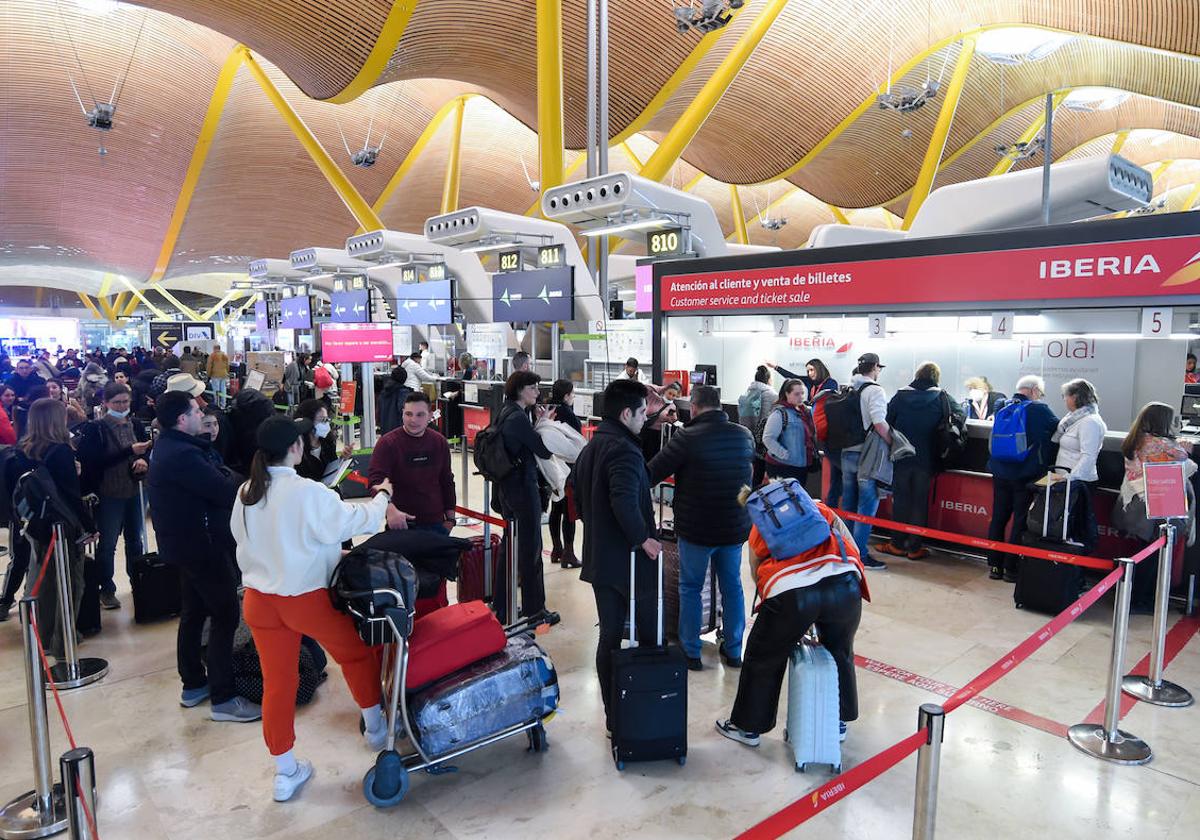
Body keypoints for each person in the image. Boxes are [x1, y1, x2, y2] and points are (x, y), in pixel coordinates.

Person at [231, 415, 394, 802]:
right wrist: (383, 495)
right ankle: (375, 729)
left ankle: (285, 772)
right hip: (304, 599)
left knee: (278, 683)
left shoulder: (246, 491)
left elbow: (253, 539)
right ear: (296, 448)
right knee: (354, 655)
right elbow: (357, 519)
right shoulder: (306, 491)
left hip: (258, 601)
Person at [715, 484, 868, 747]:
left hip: (791, 592)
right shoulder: (819, 508)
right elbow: (851, 546)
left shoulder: (760, 525)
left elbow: (755, 569)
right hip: (845, 585)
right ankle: (837, 722)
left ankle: (747, 728)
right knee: (840, 651)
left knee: (763, 656)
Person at [148, 391, 260, 723]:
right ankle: (223, 697)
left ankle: (194, 684)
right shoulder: (182, 456)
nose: (202, 414)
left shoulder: (175, 448)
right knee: (225, 614)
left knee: (194, 612)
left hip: (185, 544)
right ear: (182, 419)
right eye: (196, 411)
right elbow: (225, 490)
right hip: (201, 546)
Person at [574, 379, 661, 733]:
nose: (644, 418)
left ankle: (614, 714)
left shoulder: (592, 446)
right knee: (648, 634)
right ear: (626, 413)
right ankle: (644, 706)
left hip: (600, 556)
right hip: (628, 559)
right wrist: (645, 540)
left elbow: (578, 495)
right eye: (642, 412)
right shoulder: (624, 450)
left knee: (609, 634)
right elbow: (624, 501)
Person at [648, 385, 752, 670]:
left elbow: (651, 472)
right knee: (733, 586)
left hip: (696, 530)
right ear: (719, 406)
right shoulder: (744, 436)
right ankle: (733, 650)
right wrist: (738, 508)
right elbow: (748, 480)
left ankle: (691, 652)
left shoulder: (687, 437)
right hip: (733, 528)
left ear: (693, 407)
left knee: (691, 587)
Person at [6, 399, 97, 648]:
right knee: (70, 583)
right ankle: (63, 638)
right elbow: (70, 495)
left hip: (36, 525)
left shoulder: (23, 449)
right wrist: (89, 526)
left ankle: (43, 635)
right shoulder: (60, 451)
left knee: (43, 581)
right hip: (62, 527)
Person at [76, 382, 151, 612]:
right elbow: (93, 462)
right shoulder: (95, 429)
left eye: (125, 402)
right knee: (107, 543)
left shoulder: (135, 423)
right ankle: (106, 588)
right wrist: (130, 452)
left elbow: (146, 449)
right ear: (106, 403)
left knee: (135, 540)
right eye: (117, 402)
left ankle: (138, 582)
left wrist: (143, 459)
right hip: (109, 493)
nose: (122, 406)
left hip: (135, 490)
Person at [492, 371, 557, 624]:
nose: (537, 392)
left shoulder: (506, 410)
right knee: (530, 550)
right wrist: (545, 426)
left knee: (511, 548)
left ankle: (503, 605)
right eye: (533, 387)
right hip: (522, 491)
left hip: (508, 490)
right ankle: (535, 611)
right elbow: (542, 448)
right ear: (520, 389)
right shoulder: (517, 417)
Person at [1118, 402, 1195, 610]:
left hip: (1138, 503)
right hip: (1156, 503)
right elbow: (1182, 456)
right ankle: (1138, 600)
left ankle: (1138, 598)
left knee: (1147, 552)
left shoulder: (1137, 439)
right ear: (1163, 421)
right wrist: (1185, 447)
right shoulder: (1158, 444)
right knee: (1151, 555)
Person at [985, 375, 1059, 581]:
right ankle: (1011, 568)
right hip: (1024, 474)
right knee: (1020, 519)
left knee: (998, 517)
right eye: (1040, 393)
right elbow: (1059, 428)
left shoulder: (1001, 405)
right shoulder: (1039, 410)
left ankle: (994, 566)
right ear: (1034, 390)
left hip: (999, 471)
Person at [879, 362, 945, 561]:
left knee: (901, 500)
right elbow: (955, 418)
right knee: (919, 503)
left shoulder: (900, 396)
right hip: (927, 459)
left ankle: (897, 544)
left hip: (901, 457)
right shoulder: (941, 397)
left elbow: (886, 422)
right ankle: (915, 547)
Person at [367, 392, 456, 534]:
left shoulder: (439, 442)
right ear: (402, 413)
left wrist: (451, 519)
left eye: (420, 415)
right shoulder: (388, 443)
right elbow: (375, 481)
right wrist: (390, 510)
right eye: (408, 414)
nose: (413, 420)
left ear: (430, 415)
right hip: (401, 524)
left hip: (436, 524)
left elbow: (446, 480)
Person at [840, 353, 890, 570]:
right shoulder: (875, 390)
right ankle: (860, 555)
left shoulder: (849, 389)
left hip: (846, 453)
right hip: (867, 455)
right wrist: (892, 441)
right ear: (875, 368)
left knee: (849, 504)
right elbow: (879, 422)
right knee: (867, 506)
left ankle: (846, 550)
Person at [546, 379, 583, 568]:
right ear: (567, 395)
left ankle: (556, 549)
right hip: (567, 469)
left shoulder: (549, 410)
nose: (574, 396)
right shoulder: (568, 414)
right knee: (569, 513)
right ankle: (569, 552)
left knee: (556, 508)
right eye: (573, 393)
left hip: (551, 467)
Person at [761, 379, 816, 482]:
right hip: (782, 466)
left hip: (801, 465)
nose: (801, 397)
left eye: (802, 393)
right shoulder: (779, 414)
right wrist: (784, 454)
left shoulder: (805, 412)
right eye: (796, 394)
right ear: (787, 394)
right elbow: (768, 438)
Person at [293, 399, 353, 484]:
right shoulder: (297, 448)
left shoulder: (328, 443)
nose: (327, 424)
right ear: (307, 421)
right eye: (323, 420)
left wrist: (342, 459)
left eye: (327, 420)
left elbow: (333, 470)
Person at [766, 358, 838, 402]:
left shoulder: (831, 383)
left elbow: (828, 403)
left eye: (811, 370)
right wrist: (775, 367)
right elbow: (792, 376)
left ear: (819, 369)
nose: (809, 373)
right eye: (808, 371)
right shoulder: (809, 381)